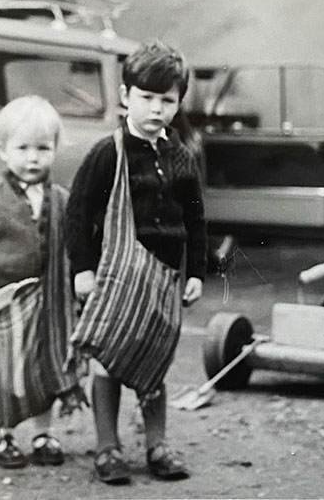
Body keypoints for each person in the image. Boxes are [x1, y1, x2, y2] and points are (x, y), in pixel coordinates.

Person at [66, 39, 208, 484]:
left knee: (154, 361)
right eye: (146, 98)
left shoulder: (181, 158)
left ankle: (157, 446)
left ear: (178, 104)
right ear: (126, 96)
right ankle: (108, 449)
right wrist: (82, 269)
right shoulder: (108, 153)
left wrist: (196, 273)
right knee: (107, 360)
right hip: (116, 276)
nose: (156, 109)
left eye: (167, 101)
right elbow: (78, 213)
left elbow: (197, 220)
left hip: (163, 280)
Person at [0, 95, 83, 469]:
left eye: (43, 148)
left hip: (50, 301)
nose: (32, 158)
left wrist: (81, 288)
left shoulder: (61, 200)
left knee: (46, 366)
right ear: (3, 151)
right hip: (2, 301)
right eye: (22, 148)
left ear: (55, 149)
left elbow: (75, 249)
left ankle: (44, 433)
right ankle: (0, 432)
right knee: (4, 370)